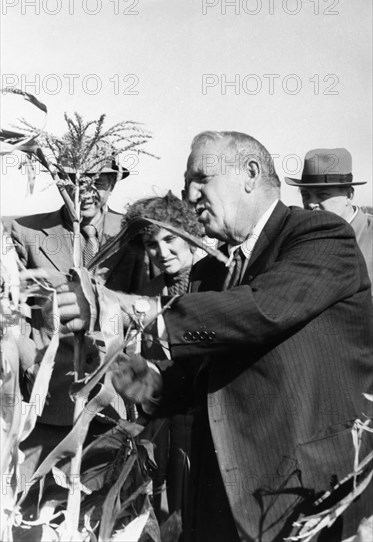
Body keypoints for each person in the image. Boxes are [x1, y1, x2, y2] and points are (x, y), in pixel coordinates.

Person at [57, 132, 373, 542]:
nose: (190, 194)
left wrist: (119, 307)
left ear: (250, 174)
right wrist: (140, 380)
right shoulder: (211, 273)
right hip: (219, 499)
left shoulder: (319, 236)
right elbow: (195, 381)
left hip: (305, 495)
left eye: (201, 178)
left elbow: (259, 310)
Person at [10, 159, 148, 481]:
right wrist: (31, 362)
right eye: (74, 179)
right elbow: (10, 310)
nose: (84, 191)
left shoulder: (135, 234)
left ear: (112, 183)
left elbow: (149, 305)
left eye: (96, 181)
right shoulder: (26, 232)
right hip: (48, 407)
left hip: (115, 404)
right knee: (38, 509)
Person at [124, 192, 202, 528]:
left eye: (170, 239)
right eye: (153, 244)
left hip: (201, 417)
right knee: (153, 506)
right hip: (159, 419)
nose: (163, 252)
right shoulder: (148, 292)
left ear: (190, 236)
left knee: (195, 507)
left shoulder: (214, 282)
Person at [286, 148, 373, 298]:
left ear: (349, 195)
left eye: (322, 195)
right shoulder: (298, 235)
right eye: (305, 195)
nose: (311, 203)